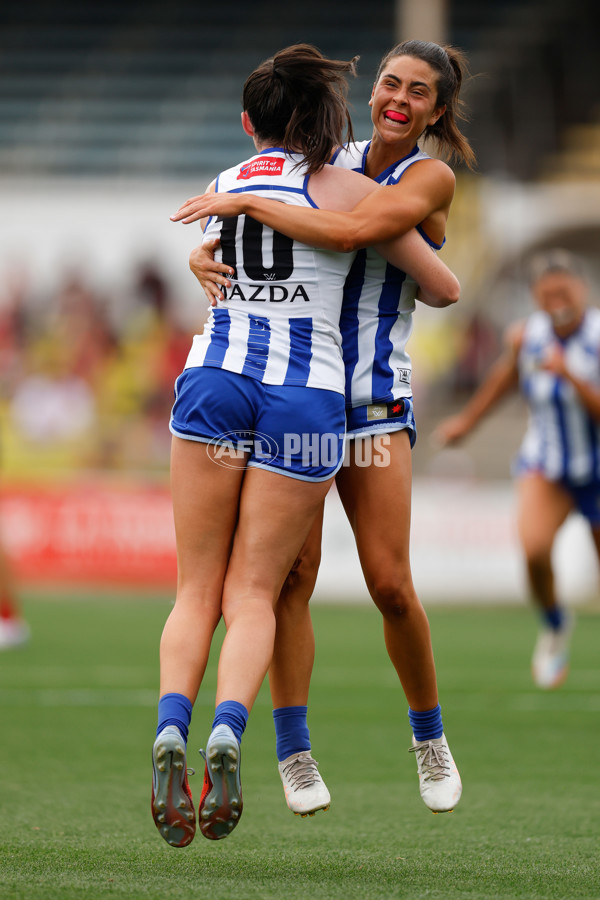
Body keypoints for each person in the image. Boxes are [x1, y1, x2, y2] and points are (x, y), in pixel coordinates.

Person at [154, 43, 460, 849]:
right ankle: (292, 753)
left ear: (436, 111)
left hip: (366, 397)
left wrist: (242, 207)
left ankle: (428, 736)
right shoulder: (335, 162)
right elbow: (323, 219)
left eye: (417, 91)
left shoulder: (427, 176)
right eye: (389, 82)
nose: (397, 98)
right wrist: (208, 249)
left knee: (388, 582)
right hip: (310, 394)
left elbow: (390, 250)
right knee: (285, 580)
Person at [434, 249, 599, 689]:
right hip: (547, 463)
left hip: (598, 467)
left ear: (582, 290)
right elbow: (504, 378)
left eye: (563, 292)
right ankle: (555, 624)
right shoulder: (528, 336)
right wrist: (466, 423)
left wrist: (571, 376)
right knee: (534, 549)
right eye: (547, 294)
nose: (556, 302)